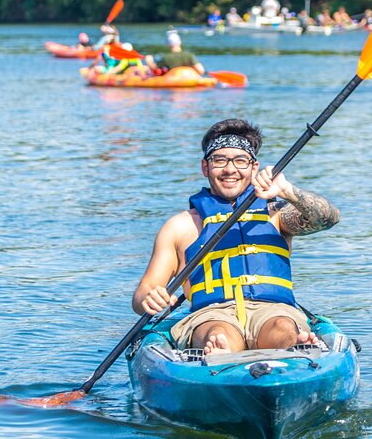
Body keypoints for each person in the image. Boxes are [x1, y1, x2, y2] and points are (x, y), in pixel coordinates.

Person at [132, 119, 341, 355]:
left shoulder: (276, 214)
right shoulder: (180, 226)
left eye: (240, 160)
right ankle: (220, 352)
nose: (230, 169)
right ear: (205, 167)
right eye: (219, 160)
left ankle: (294, 345)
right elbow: (142, 294)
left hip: (273, 310)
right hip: (211, 313)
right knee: (218, 333)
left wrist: (288, 192)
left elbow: (329, 218)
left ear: (254, 168)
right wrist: (149, 299)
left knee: (282, 327)